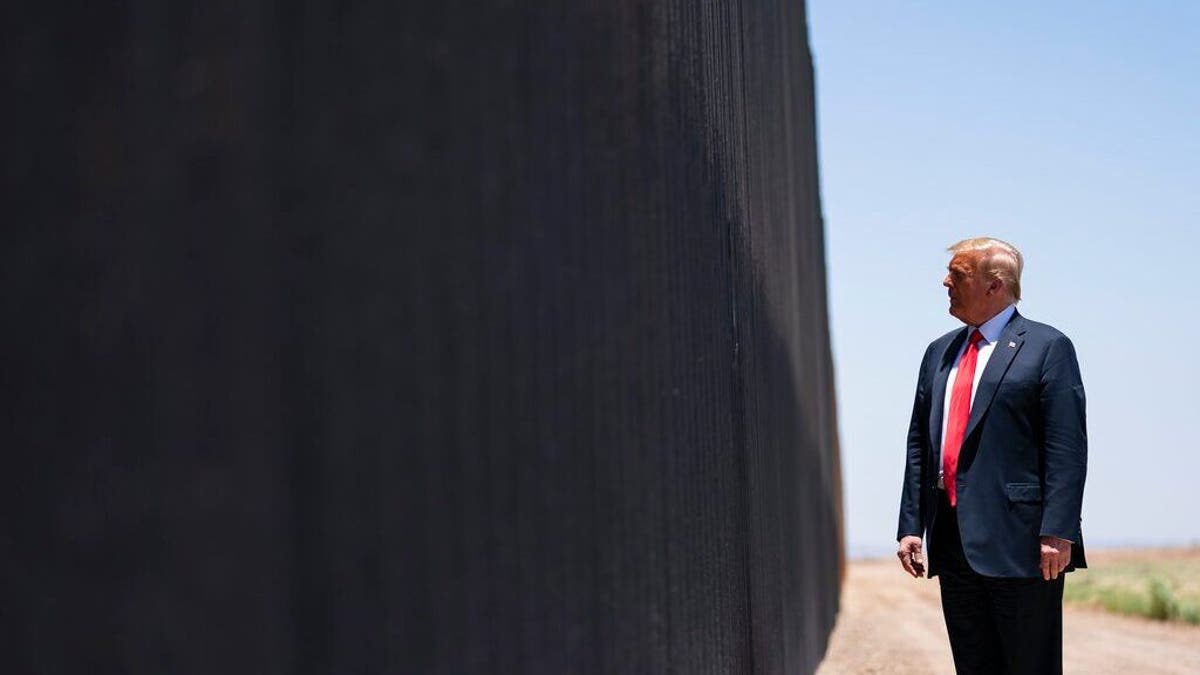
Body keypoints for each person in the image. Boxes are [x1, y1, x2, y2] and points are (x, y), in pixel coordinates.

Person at [896, 237, 1087, 674]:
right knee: (973, 664)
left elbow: (1067, 448)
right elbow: (919, 444)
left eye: (958, 274)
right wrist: (912, 524)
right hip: (952, 539)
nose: (946, 281)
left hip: (1022, 545)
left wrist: (1058, 530)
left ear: (995, 285)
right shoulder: (938, 352)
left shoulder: (1048, 347)